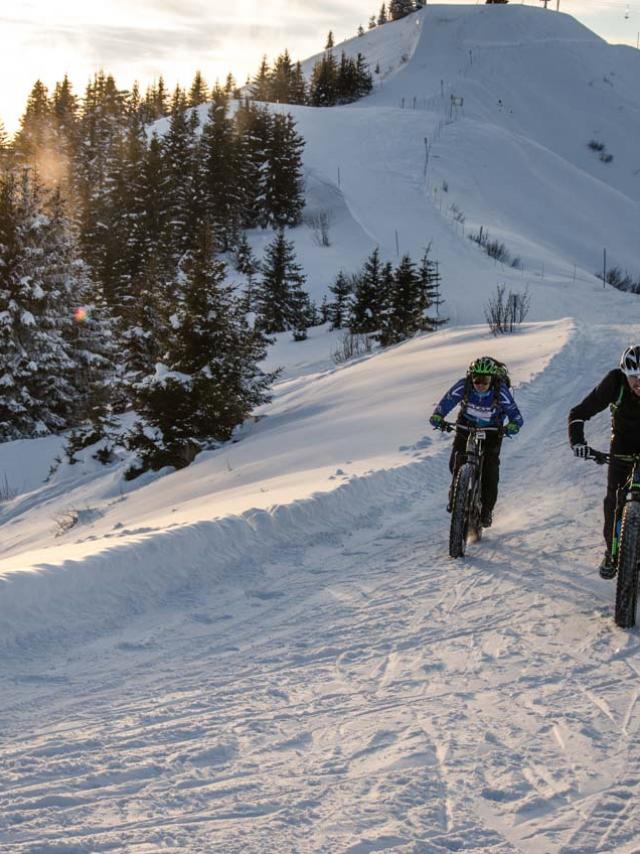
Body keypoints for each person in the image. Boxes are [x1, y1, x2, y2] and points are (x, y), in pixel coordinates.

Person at [569, 345, 640, 579]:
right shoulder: (615, 383)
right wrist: (578, 441)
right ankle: (612, 552)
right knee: (614, 500)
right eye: (634, 377)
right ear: (625, 374)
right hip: (621, 446)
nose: (639, 382)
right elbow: (579, 412)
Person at [429, 356, 524, 527]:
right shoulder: (464, 386)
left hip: (492, 430)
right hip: (466, 424)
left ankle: (486, 510)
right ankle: (458, 490)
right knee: (456, 461)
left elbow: (515, 414)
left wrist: (513, 425)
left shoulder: (500, 391)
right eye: (476, 380)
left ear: (492, 380)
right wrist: (438, 415)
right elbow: (447, 401)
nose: (480, 384)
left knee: (490, 470)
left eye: (485, 380)